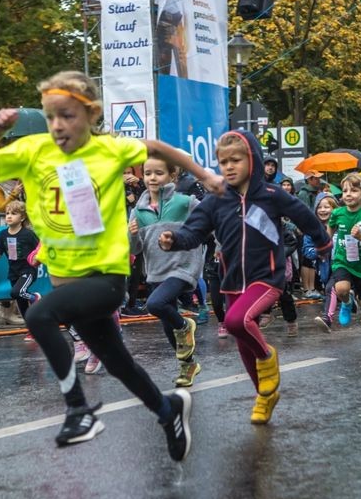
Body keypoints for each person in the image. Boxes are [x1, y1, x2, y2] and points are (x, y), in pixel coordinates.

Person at [0, 71, 216, 459]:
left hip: (106, 278)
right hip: (67, 281)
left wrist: (204, 175)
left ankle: (79, 410)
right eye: (51, 117)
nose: (58, 125)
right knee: (118, 363)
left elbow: (157, 147)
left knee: (39, 316)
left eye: (68, 116)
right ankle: (169, 412)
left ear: (91, 114)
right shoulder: (34, 151)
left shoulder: (108, 149)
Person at [160, 130, 330, 425]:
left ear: (251, 159)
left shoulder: (272, 195)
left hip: (267, 277)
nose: (228, 166)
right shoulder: (216, 200)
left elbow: (306, 217)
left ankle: (267, 357)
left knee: (238, 322)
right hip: (232, 279)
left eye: (235, 159)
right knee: (241, 340)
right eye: (222, 161)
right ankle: (264, 396)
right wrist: (173, 239)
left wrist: (323, 243)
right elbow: (193, 231)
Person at [131, 157, 204, 387]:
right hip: (156, 272)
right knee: (166, 324)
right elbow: (135, 249)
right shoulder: (139, 210)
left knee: (155, 304)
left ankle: (186, 325)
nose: (152, 178)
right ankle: (188, 364)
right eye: (148, 173)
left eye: (158, 173)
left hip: (183, 267)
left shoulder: (184, 202)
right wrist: (131, 234)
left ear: (172, 176)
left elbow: (209, 220)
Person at [313, 173, 361, 346]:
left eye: (354, 190)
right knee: (342, 289)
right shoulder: (337, 213)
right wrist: (323, 245)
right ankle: (346, 302)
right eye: (345, 191)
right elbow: (329, 232)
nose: (348, 194)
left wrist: (360, 237)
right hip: (342, 260)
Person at [0, 200, 41, 341]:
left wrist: (37, 258)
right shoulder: (3, 234)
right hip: (14, 272)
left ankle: (35, 297)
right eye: (7, 213)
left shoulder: (28, 234)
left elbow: (40, 246)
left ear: (22, 218)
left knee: (16, 292)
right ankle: (32, 330)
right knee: (21, 303)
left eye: (13, 214)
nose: (9, 216)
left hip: (28, 270)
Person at [301, 193, 337, 301]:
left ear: (334, 208)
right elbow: (306, 250)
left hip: (341, 267)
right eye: (319, 207)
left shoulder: (341, 226)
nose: (322, 210)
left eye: (326, 207)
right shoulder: (312, 228)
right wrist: (319, 251)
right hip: (323, 269)